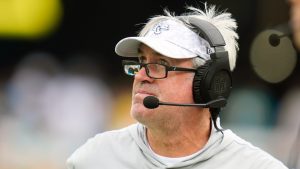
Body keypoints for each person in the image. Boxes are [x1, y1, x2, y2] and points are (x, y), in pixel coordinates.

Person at [66, 3, 288, 169]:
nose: (141, 75)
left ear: (209, 82)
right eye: (141, 62)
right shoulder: (93, 158)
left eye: (162, 63)